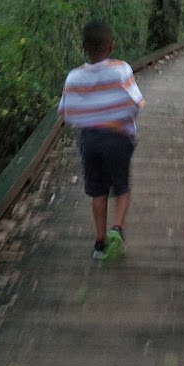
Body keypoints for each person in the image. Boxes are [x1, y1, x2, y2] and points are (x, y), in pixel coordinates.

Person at [58, 20, 145, 261]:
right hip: (118, 137)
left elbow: (65, 111)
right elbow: (136, 102)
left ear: (84, 46)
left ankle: (99, 241)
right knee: (122, 186)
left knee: (98, 191)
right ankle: (117, 227)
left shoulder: (74, 77)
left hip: (90, 139)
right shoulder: (121, 69)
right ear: (111, 45)